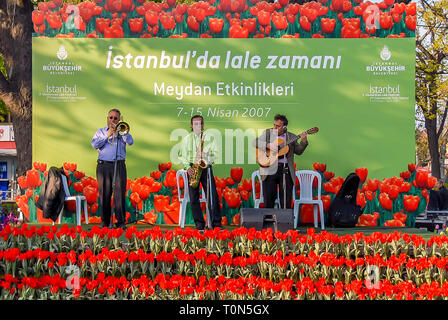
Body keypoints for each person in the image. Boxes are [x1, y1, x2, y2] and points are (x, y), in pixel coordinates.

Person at [253, 114, 309, 209]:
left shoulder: (291, 137)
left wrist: (303, 141)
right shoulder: (267, 133)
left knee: (286, 200)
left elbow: (298, 151)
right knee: (269, 198)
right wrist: (268, 145)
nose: (274, 127)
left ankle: (284, 222)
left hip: (285, 170)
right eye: (274, 125)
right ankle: (268, 221)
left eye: (278, 126)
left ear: (284, 127)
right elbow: (255, 142)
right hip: (269, 168)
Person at [178, 115, 222, 231]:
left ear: (203, 125)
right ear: (191, 126)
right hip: (193, 166)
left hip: (206, 166)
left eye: (200, 124)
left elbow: (216, 154)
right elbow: (181, 156)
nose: (198, 126)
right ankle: (199, 223)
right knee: (193, 197)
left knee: (212, 195)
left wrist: (207, 156)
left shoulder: (209, 137)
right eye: (195, 124)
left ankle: (216, 223)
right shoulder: (187, 139)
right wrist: (188, 167)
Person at [91, 108, 133, 229]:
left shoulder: (123, 131)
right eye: (111, 117)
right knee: (105, 194)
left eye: (115, 118)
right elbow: (94, 145)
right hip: (104, 165)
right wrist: (107, 135)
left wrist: (122, 133)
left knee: (119, 195)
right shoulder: (100, 132)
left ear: (119, 120)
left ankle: (120, 223)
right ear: (107, 118)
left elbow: (130, 142)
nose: (113, 120)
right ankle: (105, 223)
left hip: (118, 165)